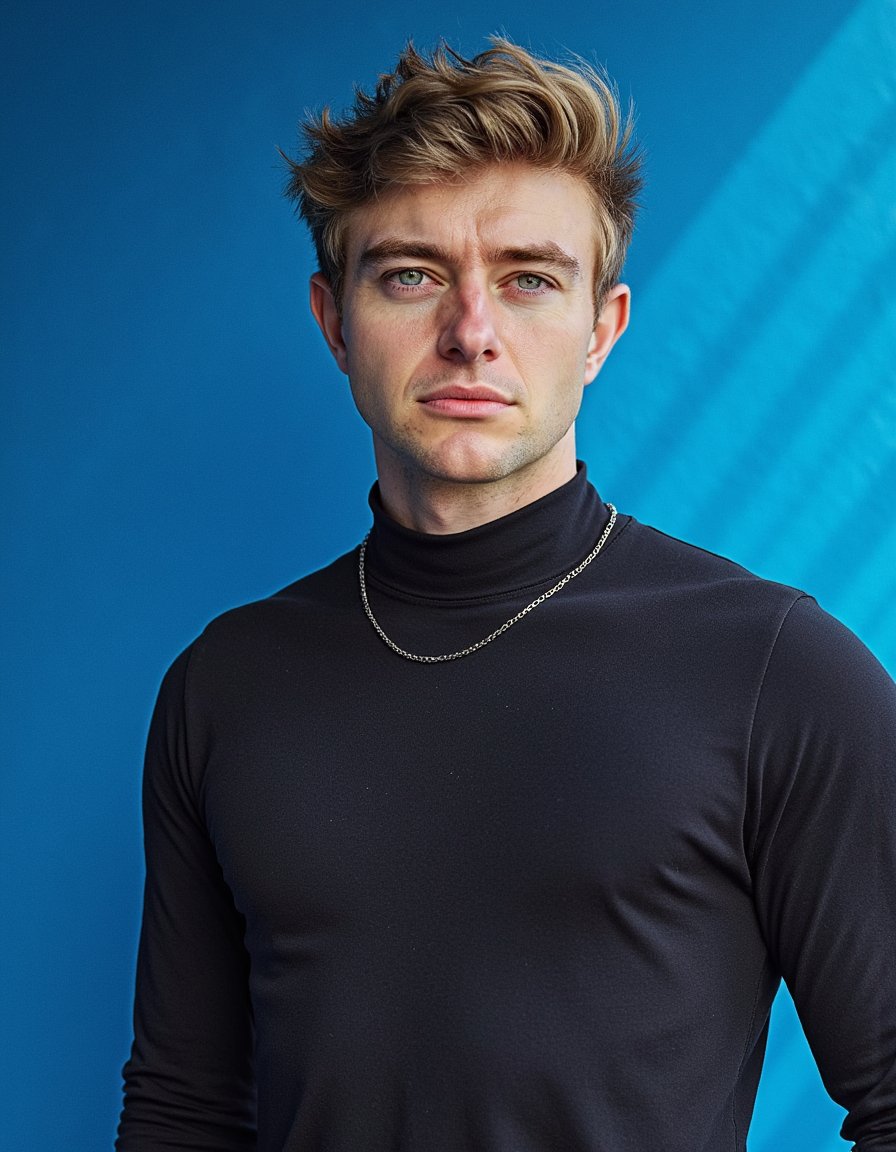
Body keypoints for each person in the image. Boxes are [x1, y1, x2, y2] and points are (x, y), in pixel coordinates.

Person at [116, 38, 896, 1152]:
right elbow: (183, 1110)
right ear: (333, 322)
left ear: (601, 329)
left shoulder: (778, 672)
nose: (470, 331)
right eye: (410, 274)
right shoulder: (225, 687)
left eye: (529, 278)